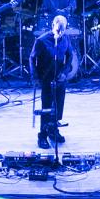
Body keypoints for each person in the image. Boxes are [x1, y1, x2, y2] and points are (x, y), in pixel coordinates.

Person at [33, 14, 79, 149]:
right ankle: (42, 134)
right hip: (45, 76)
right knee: (46, 106)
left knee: (58, 105)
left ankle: (53, 130)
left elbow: (70, 55)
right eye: (58, 30)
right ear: (53, 26)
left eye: (62, 30)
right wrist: (35, 77)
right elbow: (32, 58)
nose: (60, 33)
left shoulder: (66, 39)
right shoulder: (41, 40)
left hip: (60, 77)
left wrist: (65, 72)